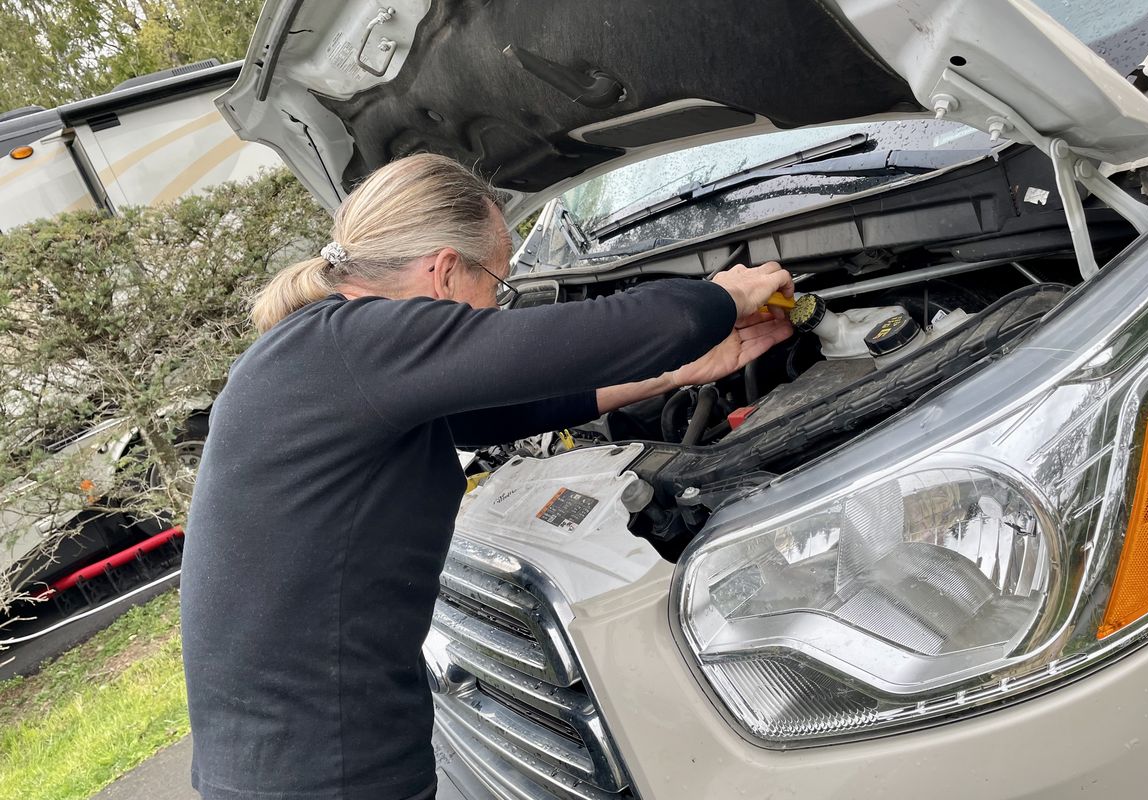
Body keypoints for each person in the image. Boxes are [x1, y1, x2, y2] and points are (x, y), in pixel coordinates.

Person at [180, 153, 794, 800]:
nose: (500, 307)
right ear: (445, 273)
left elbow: (492, 415)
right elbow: (618, 330)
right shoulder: (358, 345)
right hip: (328, 775)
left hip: (285, 761)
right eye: (499, 287)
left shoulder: (326, 353)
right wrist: (723, 296)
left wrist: (676, 374)